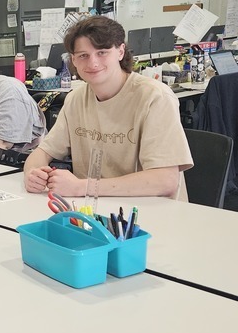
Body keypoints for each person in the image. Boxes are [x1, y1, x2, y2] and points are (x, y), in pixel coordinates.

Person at [23, 15, 193, 199]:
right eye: (83, 56)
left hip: (149, 215)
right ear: (73, 60)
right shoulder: (76, 100)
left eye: (102, 52)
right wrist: (32, 173)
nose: (93, 63)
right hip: (93, 211)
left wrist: (83, 187)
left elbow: (165, 181)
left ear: (120, 52)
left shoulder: (155, 98)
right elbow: (43, 152)